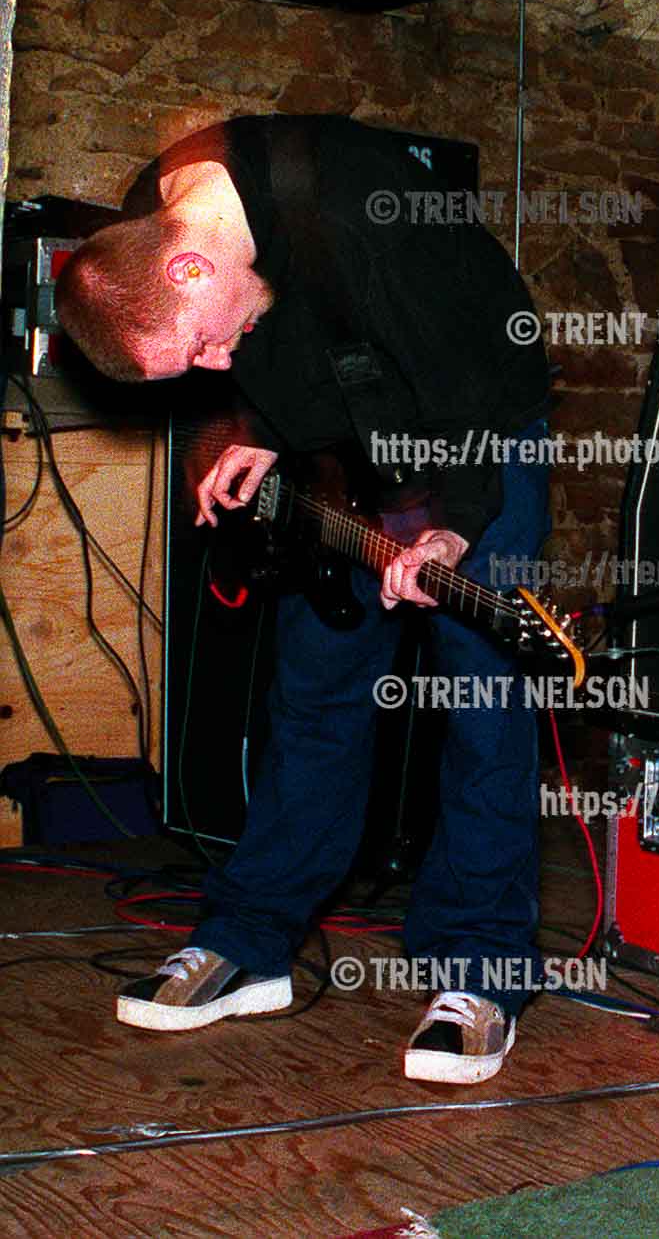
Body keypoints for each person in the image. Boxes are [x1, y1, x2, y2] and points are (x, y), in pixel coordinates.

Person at [56, 114, 552, 1084]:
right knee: (317, 694)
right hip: (349, 440)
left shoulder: (365, 206)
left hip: (477, 424)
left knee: (479, 697)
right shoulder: (154, 226)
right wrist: (264, 429)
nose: (209, 365)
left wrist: (450, 523)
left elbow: (465, 384)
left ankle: (481, 968)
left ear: (194, 273)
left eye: (199, 349)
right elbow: (279, 343)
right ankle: (250, 941)